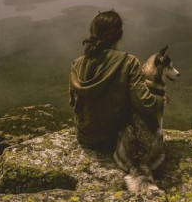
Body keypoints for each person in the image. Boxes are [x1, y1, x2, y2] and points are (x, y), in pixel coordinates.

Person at [69, 10, 165, 151]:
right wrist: (162, 100)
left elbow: (73, 102)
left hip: (84, 136)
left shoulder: (77, 64)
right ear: (119, 35)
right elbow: (144, 103)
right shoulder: (129, 62)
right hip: (116, 138)